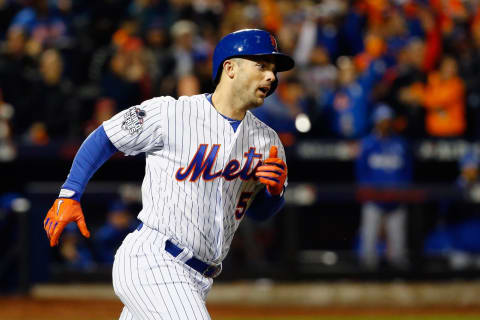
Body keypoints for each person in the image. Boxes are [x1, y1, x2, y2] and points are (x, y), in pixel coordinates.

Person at [43, 29, 293, 319]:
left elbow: (259, 213)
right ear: (230, 68)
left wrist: (274, 194)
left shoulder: (268, 142)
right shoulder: (172, 113)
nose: (271, 77)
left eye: (274, 70)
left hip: (200, 278)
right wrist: (69, 194)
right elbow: (105, 136)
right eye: (262, 66)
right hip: (153, 260)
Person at [355, 104, 412, 270]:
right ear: (376, 122)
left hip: (396, 200)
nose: (385, 124)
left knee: (398, 244)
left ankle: (399, 273)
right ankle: (367, 272)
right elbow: (361, 172)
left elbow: (407, 171)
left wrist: (402, 192)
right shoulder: (367, 143)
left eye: (388, 120)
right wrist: (369, 193)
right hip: (374, 200)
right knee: (369, 242)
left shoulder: (401, 144)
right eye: (382, 120)